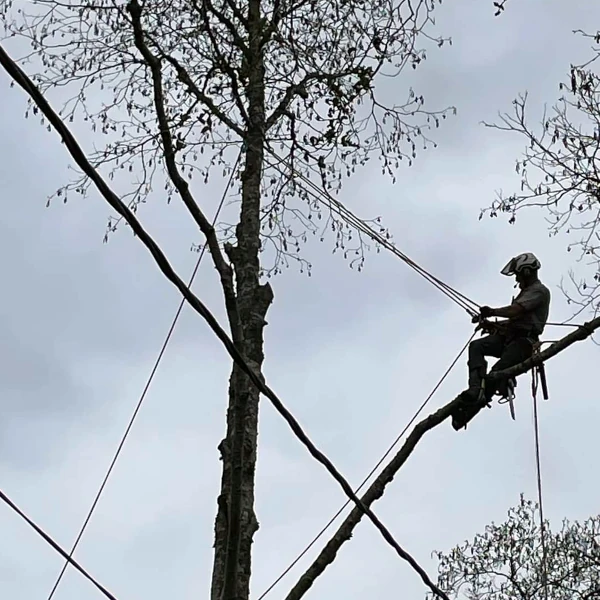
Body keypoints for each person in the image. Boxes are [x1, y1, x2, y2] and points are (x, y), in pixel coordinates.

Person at [464, 252, 551, 404]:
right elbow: (514, 321)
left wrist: (492, 312)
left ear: (526, 272)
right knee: (476, 346)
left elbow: (515, 311)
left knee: (496, 373)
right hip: (508, 339)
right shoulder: (525, 293)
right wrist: (491, 325)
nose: (517, 279)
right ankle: (475, 388)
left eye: (518, 275)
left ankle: (487, 394)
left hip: (523, 343)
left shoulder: (539, 291)